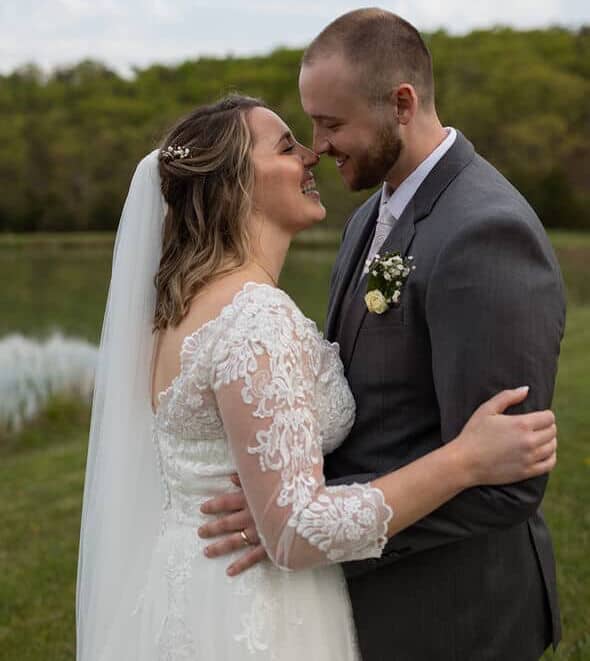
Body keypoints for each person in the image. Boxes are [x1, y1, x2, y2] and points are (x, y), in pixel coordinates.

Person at [76, 95, 559, 661]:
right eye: (287, 146)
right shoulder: (255, 317)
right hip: (257, 609)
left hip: (191, 590)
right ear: (234, 183)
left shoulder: (174, 313)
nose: (311, 156)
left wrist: (274, 500)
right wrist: (466, 459)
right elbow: (295, 532)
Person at [197, 10, 567, 661]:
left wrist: (309, 532)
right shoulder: (369, 213)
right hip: (383, 607)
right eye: (310, 124)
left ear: (401, 103)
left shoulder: (485, 233)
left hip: (455, 614)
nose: (316, 146)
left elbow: (505, 479)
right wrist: (290, 507)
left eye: (332, 124)